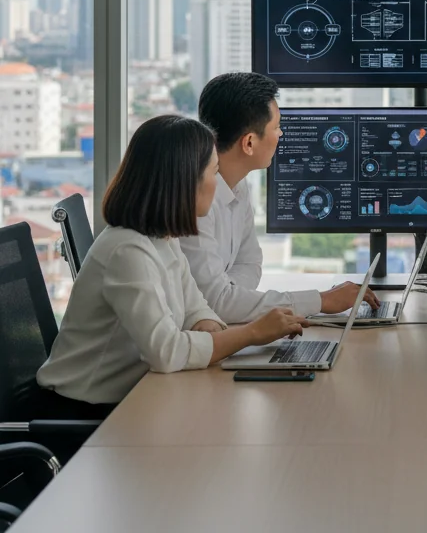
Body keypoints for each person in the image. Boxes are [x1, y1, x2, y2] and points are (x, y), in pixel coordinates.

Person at [36, 115, 310, 417]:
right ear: (184, 182)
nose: (215, 185)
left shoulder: (163, 238)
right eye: (213, 172)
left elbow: (195, 308)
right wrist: (251, 334)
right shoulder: (127, 250)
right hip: (81, 413)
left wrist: (213, 330)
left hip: (129, 400)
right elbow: (166, 353)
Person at [179, 72, 378, 323]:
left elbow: (250, 263)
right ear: (249, 143)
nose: (281, 135)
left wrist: (230, 295)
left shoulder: (239, 184)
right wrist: (321, 301)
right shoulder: (193, 201)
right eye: (276, 127)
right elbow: (215, 302)